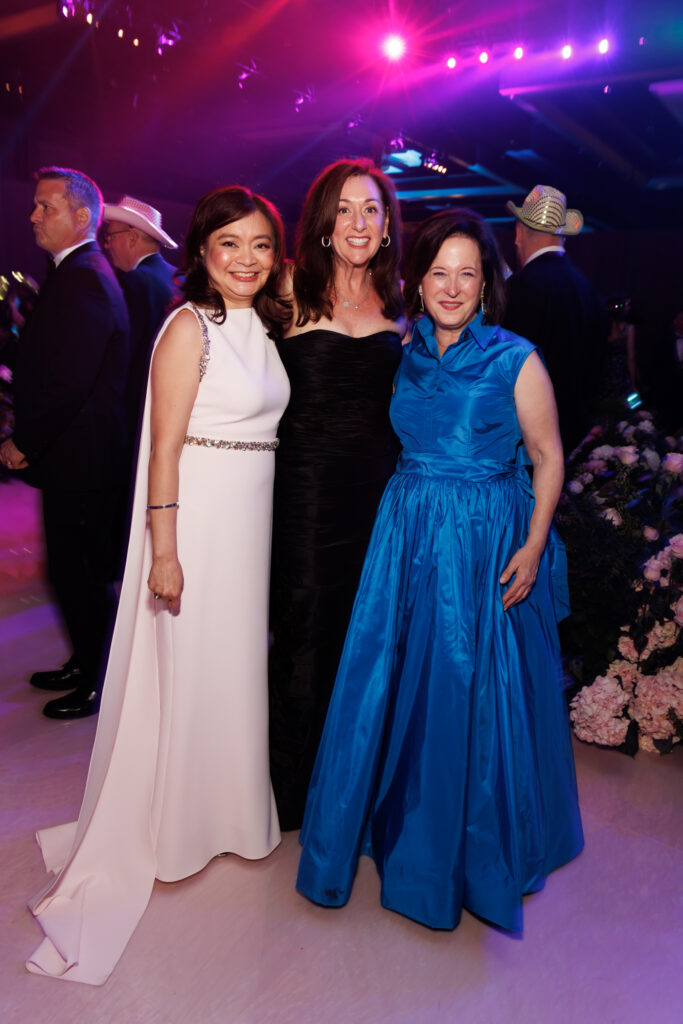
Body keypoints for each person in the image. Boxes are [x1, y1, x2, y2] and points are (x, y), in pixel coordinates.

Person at [26, 186, 291, 985]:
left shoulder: (266, 325)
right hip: (198, 525)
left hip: (251, 527)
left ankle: (233, 815)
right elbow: (165, 449)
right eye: (229, 246)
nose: (245, 260)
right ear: (202, 254)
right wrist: (165, 549)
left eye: (259, 246)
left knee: (231, 671)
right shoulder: (187, 327)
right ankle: (176, 825)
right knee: (189, 668)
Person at [297, 209, 584, 933]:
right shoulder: (404, 352)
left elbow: (548, 456)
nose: (451, 287)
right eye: (437, 273)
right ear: (416, 281)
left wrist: (532, 542)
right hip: (406, 533)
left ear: (486, 281)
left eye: (466, 273)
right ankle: (398, 825)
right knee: (398, 687)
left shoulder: (515, 357)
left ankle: (466, 851)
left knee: (467, 686)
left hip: (484, 540)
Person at [268, 158, 405, 830]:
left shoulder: (399, 300)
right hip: (301, 490)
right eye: (346, 208)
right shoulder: (288, 288)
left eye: (372, 209)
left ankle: (348, 782)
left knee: (365, 635)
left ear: (386, 227)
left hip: (378, 494)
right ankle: (288, 791)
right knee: (301, 631)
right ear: (323, 223)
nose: (359, 221)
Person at [0, 166, 130, 719]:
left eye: (44, 206)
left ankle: (101, 679)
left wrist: (22, 439)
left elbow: (70, 379)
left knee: (81, 573)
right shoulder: (73, 271)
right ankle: (85, 662)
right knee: (69, 572)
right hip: (74, 457)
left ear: (82, 218)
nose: (33, 215)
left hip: (81, 459)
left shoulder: (85, 277)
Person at [503, 184, 607, 453]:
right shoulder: (589, 290)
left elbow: (507, 376)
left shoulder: (521, 288)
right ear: (564, 236)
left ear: (518, 232)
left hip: (525, 445)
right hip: (573, 439)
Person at [102, 196, 181, 435]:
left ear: (132, 237)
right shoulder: (180, 278)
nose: (106, 245)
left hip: (134, 414)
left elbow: (121, 359)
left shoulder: (132, 283)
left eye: (110, 237)